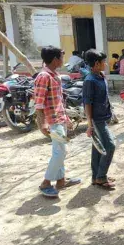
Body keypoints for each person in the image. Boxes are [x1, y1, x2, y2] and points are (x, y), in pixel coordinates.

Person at [35, 46, 81, 197]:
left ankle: (61, 180)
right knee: (60, 152)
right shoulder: (44, 77)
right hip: (52, 121)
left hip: (59, 119)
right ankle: (45, 183)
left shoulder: (55, 75)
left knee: (60, 151)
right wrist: (43, 124)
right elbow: (39, 103)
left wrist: (66, 118)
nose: (63, 60)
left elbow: (59, 101)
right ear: (55, 59)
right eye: (61, 57)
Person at [83, 49, 116, 189]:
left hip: (103, 117)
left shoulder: (100, 76)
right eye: (103, 62)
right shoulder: (90, 80)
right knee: (109, 146)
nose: (106, 64)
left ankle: (96, 176)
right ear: (96, 63)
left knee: (98, 148)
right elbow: (87, 103)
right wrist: (90, 124)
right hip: (97, 120)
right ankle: (101, 177)